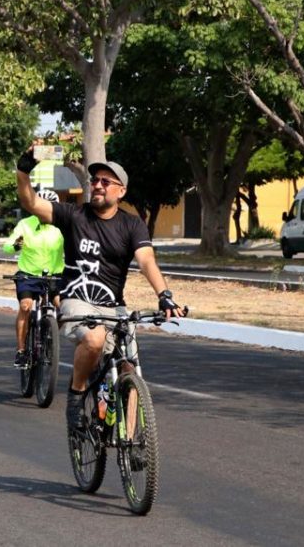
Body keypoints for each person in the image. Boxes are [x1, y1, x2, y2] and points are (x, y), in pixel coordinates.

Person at [15, 150, 185, 431]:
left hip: (113, 305)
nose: (97, 185)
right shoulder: (73, 215)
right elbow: (30, 201)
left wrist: (164, 295)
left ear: (121, 191)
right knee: (94, 340)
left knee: (130, 367)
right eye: (95, 180)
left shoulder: (131, 224)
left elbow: (146, 260)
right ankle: (76, 394)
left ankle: (131, 441)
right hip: (77, 301)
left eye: (106, 182)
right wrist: (24, 170)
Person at [3, 188, 65, 367]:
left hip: (55, 275)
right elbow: (8, 245)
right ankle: (21, 350)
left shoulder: (61, 226)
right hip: (28, 274)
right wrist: (15, 245)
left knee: (64, 308)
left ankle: (49, 334)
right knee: (25, 306)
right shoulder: (25, 224)